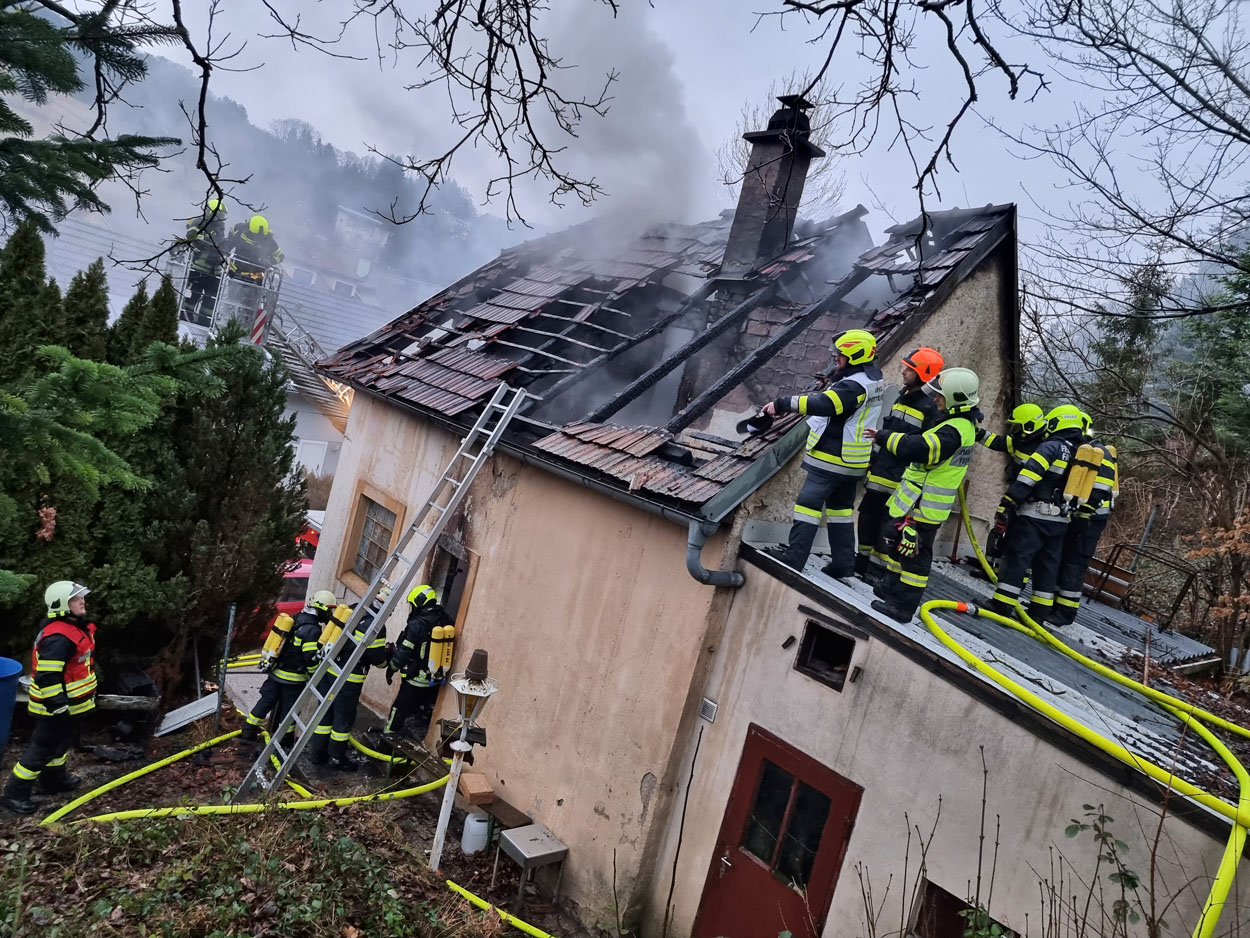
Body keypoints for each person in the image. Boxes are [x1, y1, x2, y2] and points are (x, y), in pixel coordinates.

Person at [761, 329, 885, 577]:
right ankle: (843, 565)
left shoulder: (853, 386)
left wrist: (784, 403)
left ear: (855, 356)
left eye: (840, 354)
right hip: (853, 461)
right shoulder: (872, 378)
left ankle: (794, 558)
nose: (836, 358)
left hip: (832, 458)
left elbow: (825, 404)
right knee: (840, 512)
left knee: (807, 506)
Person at [869, 368, 982, 623]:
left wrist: (885, 437)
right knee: (900, 546)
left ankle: (902, 607)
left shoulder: (953, 429)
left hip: (923, 504)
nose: (936, 399)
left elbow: (920, 449)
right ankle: (890, 589)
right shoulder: (958, 425)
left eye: (941, 396)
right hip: (917, 502)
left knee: (914, 558)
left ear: (956, 398)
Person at [986, 405, 1087, 624]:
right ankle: (1038, 613)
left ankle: (1002, 604)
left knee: (1018, 557)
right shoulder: (1080, 453)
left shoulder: (1050, 447)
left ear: (1057, 423)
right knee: (1047, 566)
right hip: (1061, 520)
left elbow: (1028, 477)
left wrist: (1009, 501)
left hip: (1035, 516)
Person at [2, 582, 96, 815]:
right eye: (75, 599)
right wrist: (58, 706)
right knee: (41, 750)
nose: (82, 601)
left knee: (60, 745)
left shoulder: (73, 629)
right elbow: (47, 676)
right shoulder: (58, 637)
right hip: (54, 708)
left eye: (81, 597)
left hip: (70, 706)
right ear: (61, 605)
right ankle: (14, 794)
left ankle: (54, 780)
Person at [855, 347, 944, 583]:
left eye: (910, 369)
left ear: (924, 374)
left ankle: (879, 571)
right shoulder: (903, 395)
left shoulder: (930, 408)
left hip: (900, 480)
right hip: (880, 471)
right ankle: (861, 562)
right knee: (867, 517)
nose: (903, 372)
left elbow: (923, 448)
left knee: (889, 526)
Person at [239, 589, 333, 753]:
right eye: (329, 610)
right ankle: (284, 742)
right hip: (294, 680)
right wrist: (316, 677)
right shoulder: (312, 630)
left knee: (265, 702)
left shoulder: (295, 618)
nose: (330, 615)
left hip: (276, 673)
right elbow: (310, 659)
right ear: (321, 608)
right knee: (289, 712)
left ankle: (247, 733)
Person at [307, 590, 391, 771]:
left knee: (324, 715)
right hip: (348, 680)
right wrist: (388, 659)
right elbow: (377, 658)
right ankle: (337, 757)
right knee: (342, 719)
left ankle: (317, 754)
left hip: (328, 671)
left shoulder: (352, 610)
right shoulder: (376, 625)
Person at [1050, 412, 1118, 625]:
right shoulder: (1084, 451)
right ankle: (1053, 606)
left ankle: (1065, 613)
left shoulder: (1099, 452)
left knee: (1074, 563)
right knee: (1065, 558)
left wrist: (1085, 512)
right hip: (1082, 516)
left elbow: (1102, 486)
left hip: (1091, 518)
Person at [976, 402, 1048, 570]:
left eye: (1018, 426)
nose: (1014, 430)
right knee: (1000, 528)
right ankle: (990, 566)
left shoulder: (1044, 447)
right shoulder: (1021, 440)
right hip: (1014, 494)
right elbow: (997, 442)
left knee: (1018, 537)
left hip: (1029, 500)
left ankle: (1007, 571)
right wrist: (976, 433)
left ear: (1029, 426)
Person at [382, 585, 452, 745]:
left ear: (419, 603)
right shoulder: (446, 619)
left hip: (415, 679)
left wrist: (391, 668)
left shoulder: (417, 624)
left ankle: (387, 739)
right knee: (423, 709)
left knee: (399, 709)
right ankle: (417, 739)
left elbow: (404, 651)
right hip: (435, 679)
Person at [184, 198, 229, 320]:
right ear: (211, 212)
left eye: (223, 215)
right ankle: (185, 314)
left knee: (211, 298)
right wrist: (209, 244)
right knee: (193, 294)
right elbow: (191, 236)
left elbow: (220, 244)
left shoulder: (220, 227)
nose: (222, 217)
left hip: (215, 271)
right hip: (199, 267)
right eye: (220, 214)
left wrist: (224, 247)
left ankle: (205, 320)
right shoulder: (199, 222)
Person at [227, 214, 284, 282]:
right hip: (235, 272)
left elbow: (280, 256)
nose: (258, 238)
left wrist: (269, 260)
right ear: (250, 230)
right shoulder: (241, 231)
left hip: (256, 278)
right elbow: (230, 237)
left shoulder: (269, 242)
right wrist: (226, 249)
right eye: (256, 235)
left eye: (261, 236)